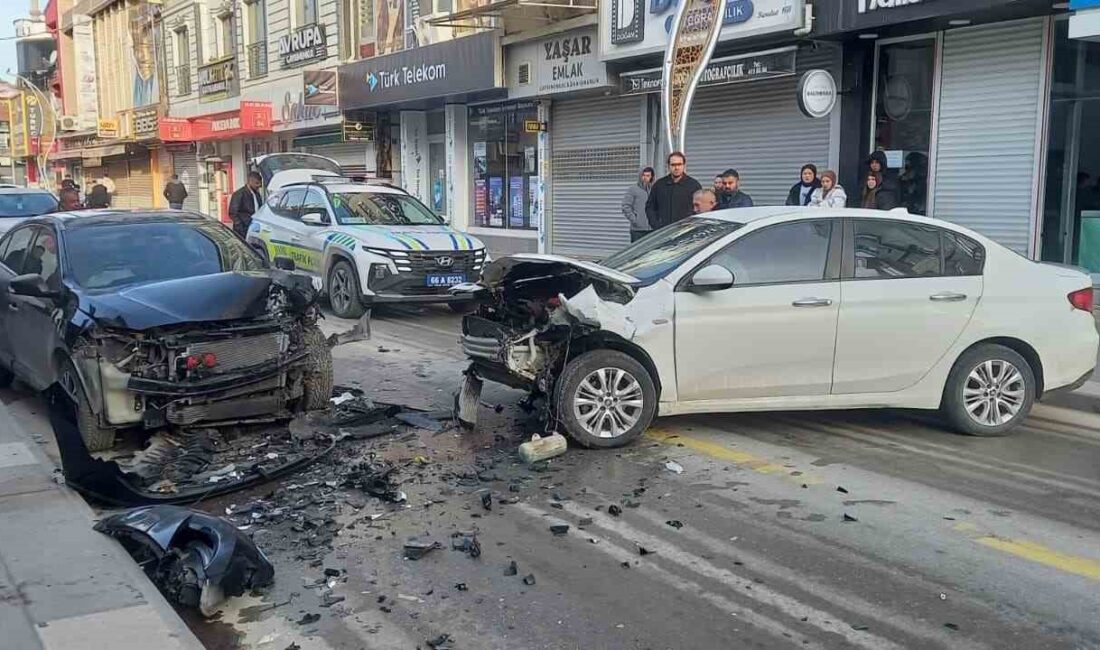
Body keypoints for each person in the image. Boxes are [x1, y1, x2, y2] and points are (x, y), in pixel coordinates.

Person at [646, 152, 702, 230]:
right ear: (668, 166)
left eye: (679, 164)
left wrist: (691, 226)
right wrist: (656, 225)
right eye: (673, 165)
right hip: (663, 231)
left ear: (684, 165)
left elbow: (700, 209)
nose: (676, 168)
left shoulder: (693, 185)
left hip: (685, 232)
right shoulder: (659, 185)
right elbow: (650, 207)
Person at [622, 167, 655, 243]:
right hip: (638, 231)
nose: (645, 178)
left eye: (648, 176)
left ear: (651, 177)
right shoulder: (633, 189)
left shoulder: (654, 189)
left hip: (652, 229)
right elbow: (625, 206)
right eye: (643, 175)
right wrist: (635, 220)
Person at [228, 172, 264, 238]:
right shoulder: (239, 194)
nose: (259, 186)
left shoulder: (257, 194)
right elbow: (233, 213)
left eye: (260, 183)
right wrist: (241, 227)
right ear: (250, 181)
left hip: (254, 228)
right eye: (257, 183)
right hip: (243, 230)